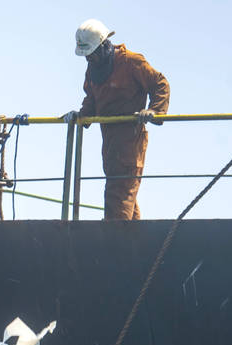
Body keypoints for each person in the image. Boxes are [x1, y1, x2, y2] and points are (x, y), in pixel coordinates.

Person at [65, 19, 170, 220]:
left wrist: (154, 111)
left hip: (131, 142)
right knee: (124, 194)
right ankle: (135, 244)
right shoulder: (94, 70)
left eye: (92, 55)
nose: (89, 60)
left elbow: (160, 84)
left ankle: (114, 244)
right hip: (111, 144)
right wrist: (81, 116)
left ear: (104, 46)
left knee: (118, 194)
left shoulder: (131, 62)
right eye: (86, 56)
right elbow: (92, 99)